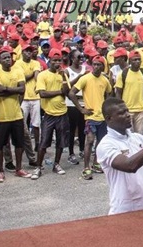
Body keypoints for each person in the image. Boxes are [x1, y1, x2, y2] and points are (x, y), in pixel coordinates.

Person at [68, 55, 112, 180]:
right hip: (91, 116)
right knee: (90, 141)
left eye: (99, 64)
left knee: (101, 141)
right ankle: (86, 168)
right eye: (95, 64)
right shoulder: (85, 78)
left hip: (102, 117)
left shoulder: (104, 80)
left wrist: (106, 109)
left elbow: (109, 92)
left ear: (103, 66)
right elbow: (71, 93)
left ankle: (96, 163)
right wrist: (81, 109)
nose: (96, 67)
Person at [0, 47, 30, 182]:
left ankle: (18, 168)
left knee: (19, 143)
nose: (8, 59)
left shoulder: (18, 71)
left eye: (9, 57)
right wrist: (14, 90)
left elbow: (22, 89)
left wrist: (6, 89)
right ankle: (1, 171)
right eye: (4, 58)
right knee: (0, 145)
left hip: (16, 114)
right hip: (2, 115)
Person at [33, 48, 71, 180]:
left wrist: (63, 79)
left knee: (61, 142)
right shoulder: (43, 75)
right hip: (48, 113)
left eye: (59, 60)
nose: (57, 63)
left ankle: (57, 164)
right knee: (44, 142)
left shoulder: (62, 74)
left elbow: (66, 91)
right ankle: (38, 167)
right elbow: (42, 93)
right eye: (54, 60)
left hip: (62, 112)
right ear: (49, 60)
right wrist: (59, 92)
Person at [115, 50, 143, 135]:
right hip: (127, 110)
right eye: (135, 60)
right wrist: (120, 108)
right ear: (130, 61)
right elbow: (118, 92)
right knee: (128, 134)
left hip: (141, 110)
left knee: (139, 135)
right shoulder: (123, 73)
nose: (137, 61)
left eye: (139, 59)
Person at [64, 49, 88, 165]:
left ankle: (82, 150)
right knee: (72, 129)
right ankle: (71, 153)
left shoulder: (85, 69)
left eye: (82, 57)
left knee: (83, 128)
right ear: (72, 58)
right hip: (71, 103)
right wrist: (80, 77)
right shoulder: (67, 71)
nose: (81, 59)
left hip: (84, 101)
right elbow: (67, 88)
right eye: (78, 57)